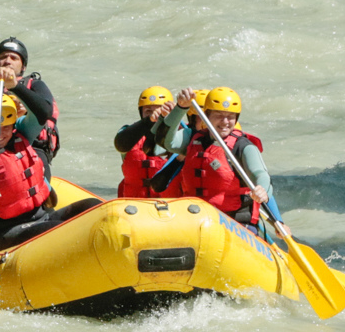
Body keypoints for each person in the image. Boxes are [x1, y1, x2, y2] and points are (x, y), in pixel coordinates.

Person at [0, 92, 99, 247]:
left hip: (41, 217)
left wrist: (15, 86)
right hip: (4, 231)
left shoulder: (22, 135)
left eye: (5, 127)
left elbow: (42, 112)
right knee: (59, 230)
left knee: (94, 206)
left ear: (13, 125)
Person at [161, 86, 284, 244]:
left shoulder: (243, 147)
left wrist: (262, 189)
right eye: (219, 115)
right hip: (195, 220)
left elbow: (260, 174)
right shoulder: (193, 138)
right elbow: (167, 141)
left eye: (230, 117)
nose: (225, 122)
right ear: (207, 116)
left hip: (235, 224)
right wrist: (180, 108)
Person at [0, 37, 59, 164]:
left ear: (23, 66)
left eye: (14, 58)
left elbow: (45, 111)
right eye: (3, 57)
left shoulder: (36, 85)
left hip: (34, 147)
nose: (7, 61)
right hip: (0, 143)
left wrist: (15, 87)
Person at [114, 85, 175, 198]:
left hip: (167, 207)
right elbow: (120, 143)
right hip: (135, 206)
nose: (154, 114)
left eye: (160, 110)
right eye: (148, 111)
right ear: (141, 113)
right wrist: (149, 121)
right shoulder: (129, 134)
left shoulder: (179, 136)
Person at [148, 88, 206, 195]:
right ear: (192, 118)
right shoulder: (185, 138)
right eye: (202, 117)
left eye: (210, 116)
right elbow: (157, 184)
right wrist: (179, 160)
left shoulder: (231, 139)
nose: (206, 121)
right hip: (187, 205)